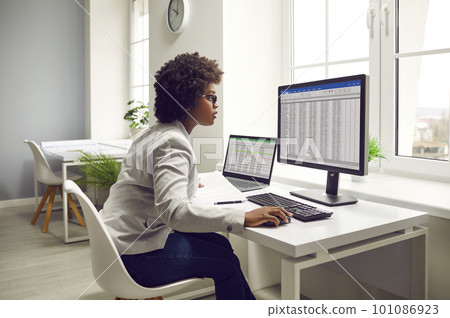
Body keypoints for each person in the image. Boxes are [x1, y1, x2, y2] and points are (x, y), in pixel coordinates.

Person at [100, 52, 291, 300]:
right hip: (136, 256)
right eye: (211, 97)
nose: (216, 104)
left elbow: (150, 182)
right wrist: (243, 216)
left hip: (117, 244)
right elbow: (175, 213)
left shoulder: (153, 134)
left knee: (221, 245)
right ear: (187, 100)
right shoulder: (173, 142)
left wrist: (187, 183)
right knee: (226, 261)